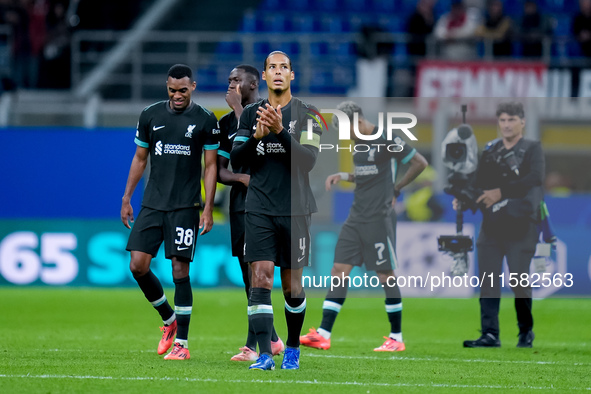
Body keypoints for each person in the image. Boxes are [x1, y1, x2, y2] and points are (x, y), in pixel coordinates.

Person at [300, 101, 428, 352]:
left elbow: (420, 162)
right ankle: (323, 333)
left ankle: (396, 338)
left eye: (348, 131)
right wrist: (345, 176)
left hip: (378, 218)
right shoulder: (358, 142)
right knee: (338, 270)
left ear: (357, 121)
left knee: (385, 275)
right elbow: (368, 173)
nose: (346, 137)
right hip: (356, 217)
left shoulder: (387, 138)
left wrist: (397, 188)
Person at [231, 51, 322, 370]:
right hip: (258, 209)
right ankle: (267, 355)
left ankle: (293, 349)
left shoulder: (310, 114)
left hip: (296, 211)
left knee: (292, 286)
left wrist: (281, 131)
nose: (279, 72)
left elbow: (309, 161)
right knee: (260, 278)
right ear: (265, 76)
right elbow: (237, 160)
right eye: (273, 67)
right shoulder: (250, 114)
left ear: (292, 76)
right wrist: (256, 137)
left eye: (284, 67)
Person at [121, 64, 219, 360]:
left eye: (183, 90)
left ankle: (183, 345)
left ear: (193, 87)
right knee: (137, 265)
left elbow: (211, 165)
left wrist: (209, 207)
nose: (177, 95)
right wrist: (127, 197)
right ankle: (169, 320)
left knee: (180, 270)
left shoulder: (205, 120)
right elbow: (140, 158)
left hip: (185, 206)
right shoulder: (150, 115)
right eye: (172, 90)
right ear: (167, 87)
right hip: (152, 203)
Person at [456, 101, 545, 348]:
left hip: (521, 224)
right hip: (492, 225)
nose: (506, 125)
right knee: (488, 280)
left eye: (511, 120)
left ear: (522, 122)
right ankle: (490, 334)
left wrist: (501, 192)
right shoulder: (491, 150)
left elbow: (535, 178)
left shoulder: (532, 148)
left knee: (518, 280)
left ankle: (525, 330)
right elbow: (478, 183)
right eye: (503, 120)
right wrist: (464, 200)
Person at [216, 64, 285, 362]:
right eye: (229, 80)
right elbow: (221, 170)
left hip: (266, 206)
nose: (230, 84)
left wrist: (237, 112)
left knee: (260, 275)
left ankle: (258, 344)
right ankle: (268, 339)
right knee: (248, 277)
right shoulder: (224, 123)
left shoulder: (267, 113)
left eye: (236, 80)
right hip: (240, 205)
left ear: (253, 83)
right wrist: (244, 180)